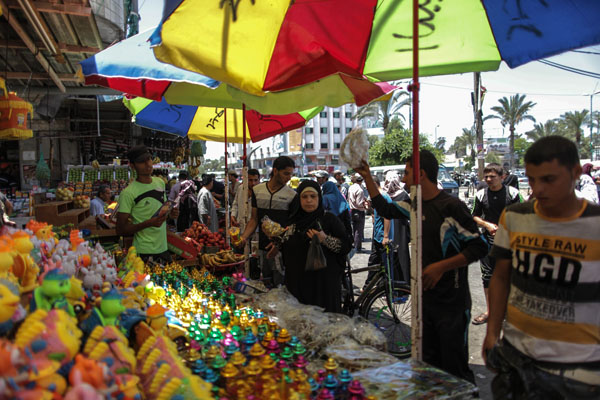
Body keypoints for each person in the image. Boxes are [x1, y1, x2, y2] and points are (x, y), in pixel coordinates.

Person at [355, 150, 488, 383]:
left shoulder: (452, 206)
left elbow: (479, 247)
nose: (404, 178)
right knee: (429, 365)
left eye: (407, 173)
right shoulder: (414, 205)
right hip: (425, 299)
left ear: (421, 174)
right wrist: (367, 177)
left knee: (455, 369)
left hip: (452, 302)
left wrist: (441, 267)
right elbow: (385, 209)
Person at [482, 136, 600, 398]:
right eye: (532, 180)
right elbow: (500, 277)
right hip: (516, 359)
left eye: (549, 179)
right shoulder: (515, 216)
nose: (538, 189)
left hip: (577, 372)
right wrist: (492, 333)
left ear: (575, 173)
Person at [277, 180, 352, 312]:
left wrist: (325, 239)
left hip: (324, 286)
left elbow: (345, 246)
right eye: (304, 197)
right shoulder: (292, 221)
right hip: (297, 284)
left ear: (319, 198)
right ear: (299, 199)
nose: (309, 200)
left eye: (313, 196)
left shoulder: (329, 219)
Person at [470, 163, 522, 326]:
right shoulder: (481, 194)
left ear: (502, 177)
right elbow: (474, 216)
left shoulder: (513, 193)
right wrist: (486, 225)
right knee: (488, 277)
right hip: (488, 242)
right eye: (486, 176)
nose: (488, 179)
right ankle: (490, 311)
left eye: (492, 176)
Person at [239, 156, 297, 286]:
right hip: (263, 248)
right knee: (265, 284)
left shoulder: (292, 195)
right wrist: (243, 237)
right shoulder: (257, 191)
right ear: (275, 171)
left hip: (283, 250)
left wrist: (279, 244)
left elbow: (292, 226)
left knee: (281, 287)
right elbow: (254, 219)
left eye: (291, 174)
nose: (289, 178)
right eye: (286, 173)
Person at [116, 145, 178, 264]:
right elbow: (120, 230)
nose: (148, 164)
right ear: (132, 166)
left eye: (149, 159)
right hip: (143, 252)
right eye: (141, 162)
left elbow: (161, 213)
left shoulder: (160, 182)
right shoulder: (128, 193)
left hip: (163, 248)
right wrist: (148, 223)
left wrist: (171, 214)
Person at [382, 170, 411, 282]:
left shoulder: (384, 196)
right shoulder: (403, 195)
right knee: (401, 255)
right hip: (401, 229)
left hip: (387, 230)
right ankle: (403, 282)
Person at [365, 176, 393, 286]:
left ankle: (380, 287)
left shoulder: (383, 196)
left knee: (383, 263)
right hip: (378, 235)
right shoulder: (378, 197)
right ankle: (371, 286)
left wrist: (385, 236)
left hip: (382, 237)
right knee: (375, 261)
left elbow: (387, 217)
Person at [321, 181, 353, 246]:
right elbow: (347, 219)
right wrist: (350, 234)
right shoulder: (340, 197)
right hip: (342, 229)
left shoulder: (325, 198)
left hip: (329, 230)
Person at [347, 174, 368, 253]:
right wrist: (365, 205)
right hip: (359, 211)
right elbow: (359, 203)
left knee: (355, 229)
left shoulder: (351, 187)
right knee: (358, 231)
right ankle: (358, 248)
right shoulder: (360, 190)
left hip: (352, 210)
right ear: (361, 181)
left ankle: (355, 246)